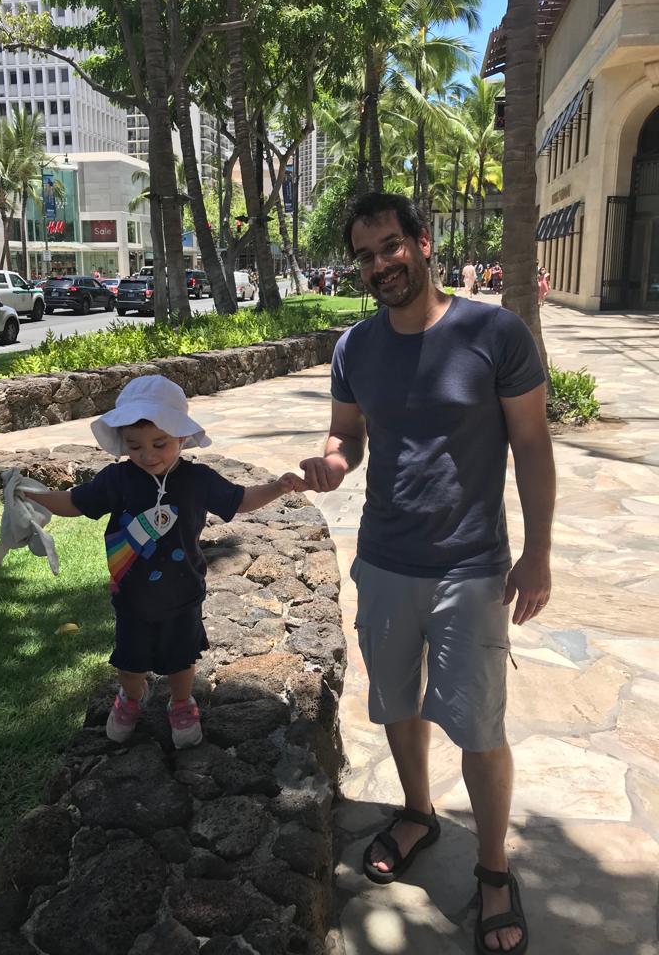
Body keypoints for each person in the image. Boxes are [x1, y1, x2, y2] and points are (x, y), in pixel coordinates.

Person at [299, 192, 554, 955]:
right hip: (383, 560)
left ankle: (493, 867)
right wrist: (333, 462)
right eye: (366, 254)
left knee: (479, 724)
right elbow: (349, 436)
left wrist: (537, 553)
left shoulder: (494, 333)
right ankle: (416, 810)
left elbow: (533, 446)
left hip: (471, 567)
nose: (380, 264)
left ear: (423, 242)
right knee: (398, 704)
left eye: (390, 246)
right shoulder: (356, 347)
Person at [30, 375, 305, 749]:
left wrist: (278, 487)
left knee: (182, 658)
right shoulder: (117, 479)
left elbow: (240, 500)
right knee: (130, 660)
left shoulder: (197, 480)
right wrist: (39, 497)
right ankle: (131, 698)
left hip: (183, 592)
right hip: (131, 594)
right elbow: (76, 503)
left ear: (181, 437)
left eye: (159, 443)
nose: (148, 454)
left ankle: (181, 703)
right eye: (134, 445)